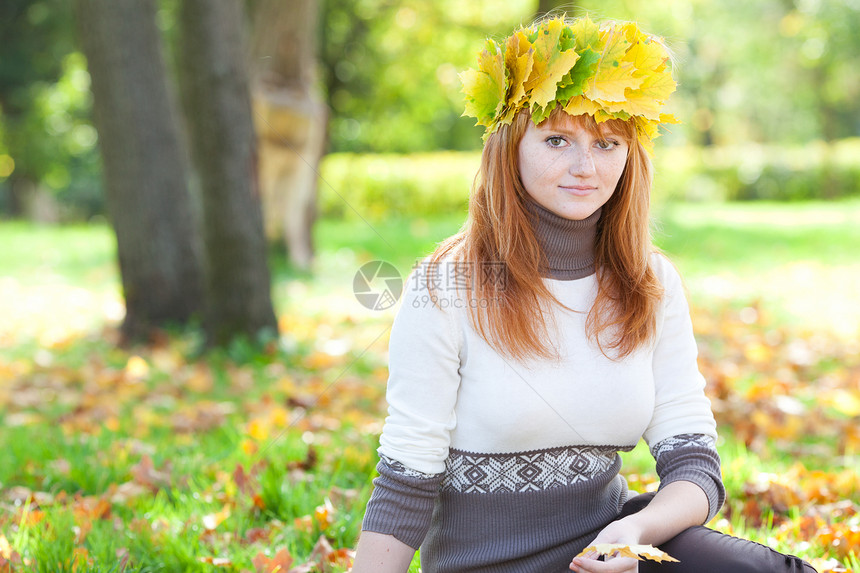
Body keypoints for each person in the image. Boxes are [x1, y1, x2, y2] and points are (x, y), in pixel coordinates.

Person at [351, 15, 818, 573]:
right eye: (556, 139)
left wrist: (634, 529)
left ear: (629, 154)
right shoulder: (443, 288)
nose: (584, 168)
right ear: (510, 145)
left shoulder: (651, 282)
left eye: (606, 143)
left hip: (608, 554)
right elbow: (406, 481)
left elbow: (695, 467)